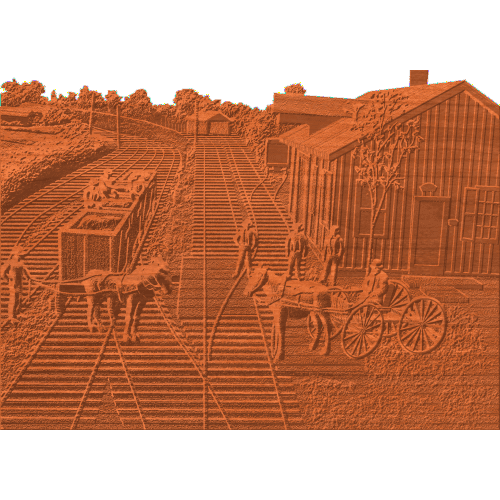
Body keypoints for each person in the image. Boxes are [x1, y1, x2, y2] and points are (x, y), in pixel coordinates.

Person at [1, 246, 33, 325]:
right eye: (19, 255)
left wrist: (28, 278)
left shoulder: (21, 262)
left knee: (19, 297)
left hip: (19, 282)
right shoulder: (9, 262)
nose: (21, 256)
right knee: (13, 298)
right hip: (13, 283)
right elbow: (2, 273)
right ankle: (11, 316)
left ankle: (18, 313)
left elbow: (24, 270)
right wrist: (8, 280)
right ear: (15, 254)